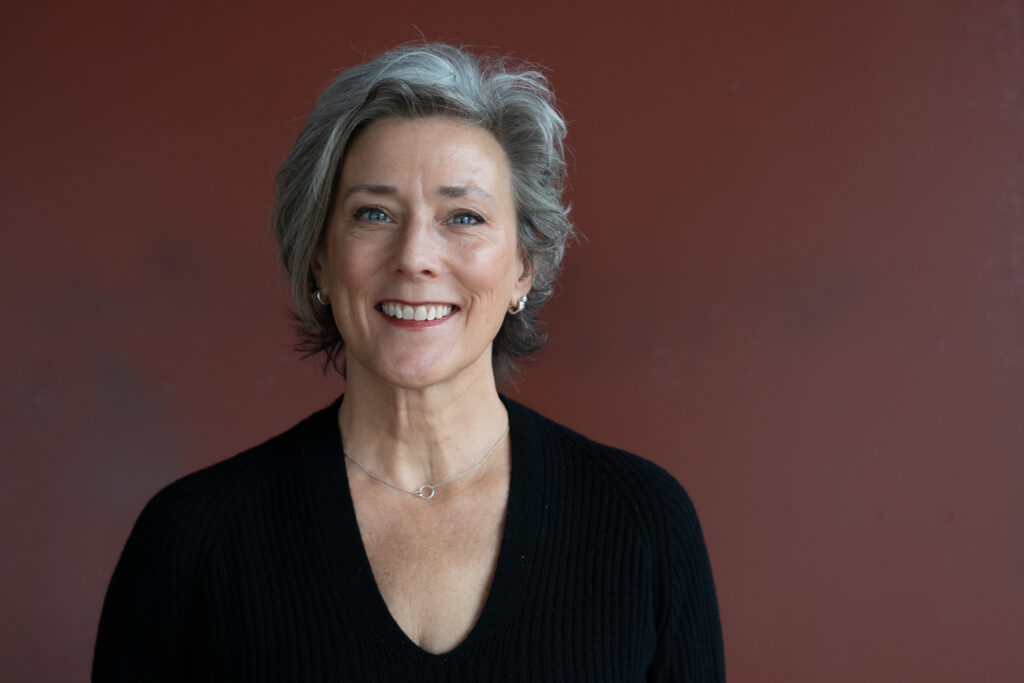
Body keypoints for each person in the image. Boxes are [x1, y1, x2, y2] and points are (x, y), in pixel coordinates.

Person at [93, 43, 725, 681]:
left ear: (523, 269)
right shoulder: (192, 540)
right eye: (373, 214)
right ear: (319, 260)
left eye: (464, 217)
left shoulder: (643, 526)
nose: (415, 255)